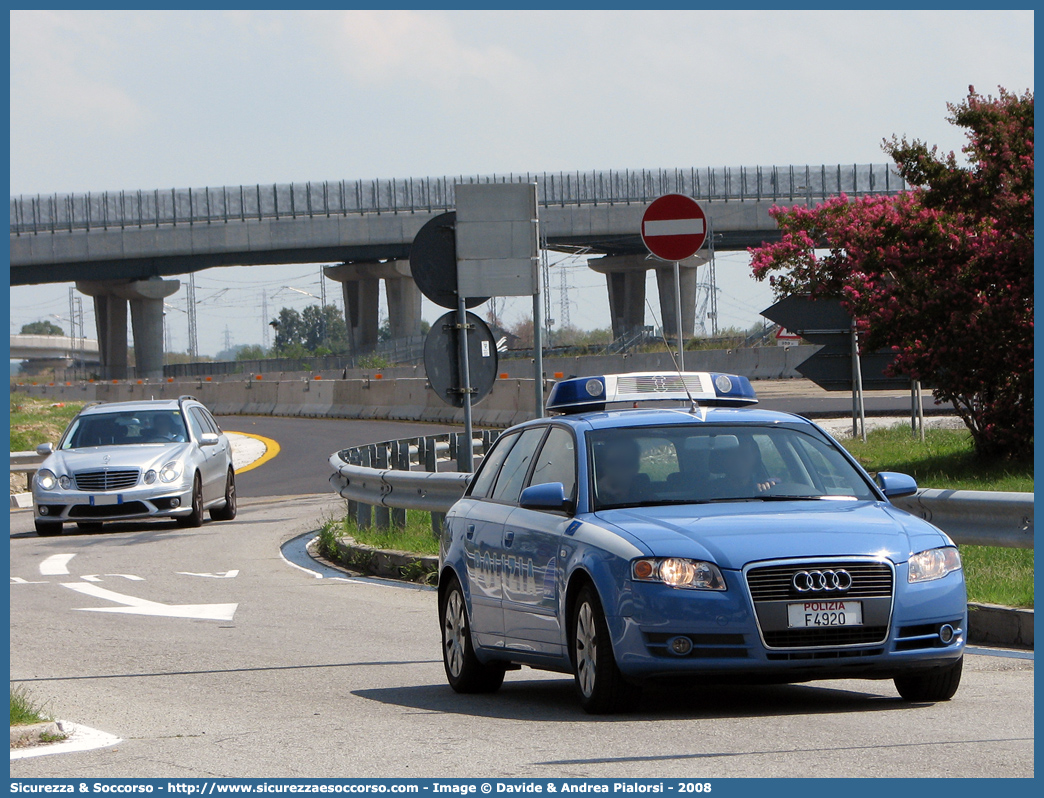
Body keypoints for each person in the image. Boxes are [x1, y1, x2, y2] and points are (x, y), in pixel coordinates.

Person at [714, 436, 778, 496]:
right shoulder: (709, 491)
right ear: (723, 460)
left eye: (744, 454)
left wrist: (769, 488)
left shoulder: (766, 488)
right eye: (732, 455)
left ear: (755, 458)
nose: (738, 461)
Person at [595, 438, 647, 507]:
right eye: (613, 463)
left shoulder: (649, 500)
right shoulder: (589, 499)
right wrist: (599, 492)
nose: (618, 468)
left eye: (625, 463)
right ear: (602, 466)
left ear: (636, 468)